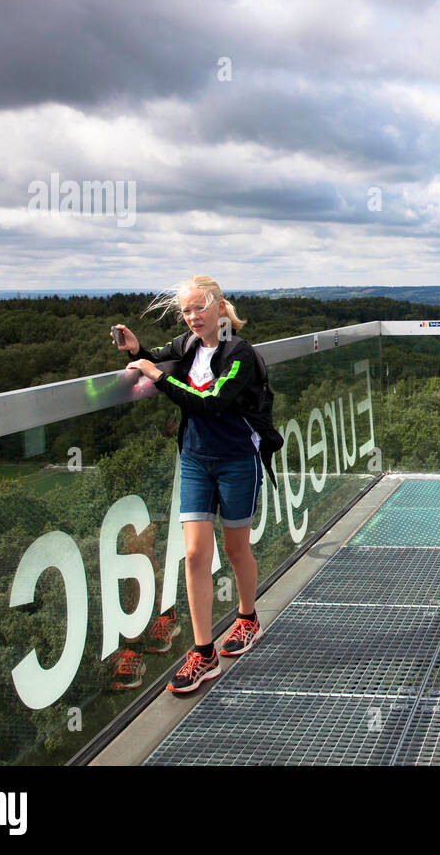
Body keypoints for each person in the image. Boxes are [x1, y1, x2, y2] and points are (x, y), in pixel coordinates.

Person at [111, 276, 269, 695]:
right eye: (186, 311)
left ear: (219, 307)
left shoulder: (240, 353)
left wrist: (155, 376)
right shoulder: (185, 346)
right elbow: (156, 361)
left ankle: (247, 618)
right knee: (196, 553)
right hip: (196, 460)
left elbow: (211, 401)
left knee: (235, 548)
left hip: (237, 460)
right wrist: (137, 352)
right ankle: (204, 652)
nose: (193, 317)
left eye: (199, 307)